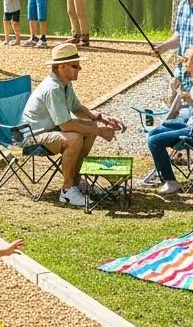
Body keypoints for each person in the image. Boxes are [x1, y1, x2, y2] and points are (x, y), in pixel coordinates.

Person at [20, 42, 126, 208]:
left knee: (88, 128)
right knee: (74, 138)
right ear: (61, 67)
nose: (80, 69)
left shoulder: (65, 83)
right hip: (30, 138)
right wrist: (99, 131)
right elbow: (65, 126)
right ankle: (67, 191)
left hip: (48, 130)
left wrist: (101, 118)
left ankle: (76, 182)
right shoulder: (53, 88)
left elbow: (76, 108)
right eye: (75, 66)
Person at [147, 44, 193, 197]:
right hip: (192, 125)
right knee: (155, 131)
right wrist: (175, 90)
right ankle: (164, 177)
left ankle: (171, 181)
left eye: (186, 60)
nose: (183, 62)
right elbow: (176, 108)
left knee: (155, 141)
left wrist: (191, 101)